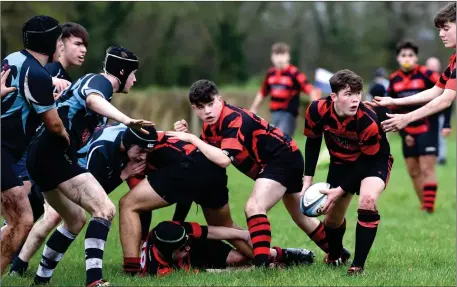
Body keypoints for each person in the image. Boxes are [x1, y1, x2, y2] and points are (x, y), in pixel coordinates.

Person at [171, 79, 336, 269]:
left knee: (254, 207)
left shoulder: (232, 118)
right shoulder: (210, 127)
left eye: (210, 104)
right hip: (281, 159)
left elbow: (224, 159)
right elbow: (207, 154)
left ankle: (263, 265)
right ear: (193, 108)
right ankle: (337, 253)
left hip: (281, 158)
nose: (207, 111)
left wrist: (191, 137)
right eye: (200, 107)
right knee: (301, 217)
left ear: (220, 100)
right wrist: (189, 136)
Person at [26, 45, 153, 287]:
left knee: (74, 220)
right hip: (51, 153)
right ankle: (94, 281)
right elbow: (92, 98)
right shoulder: (101, 82)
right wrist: (127, 120)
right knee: (104, 209)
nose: (135, 80)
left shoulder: (102, 95)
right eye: (133, 74)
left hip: (42, 156)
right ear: (123, 72)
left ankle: (40, 282)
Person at [120, 125, 315, 274]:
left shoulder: (146, 147)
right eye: (141, 152)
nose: (143, 156)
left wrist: (177, 222)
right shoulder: (155, 142)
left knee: (128, 204)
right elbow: (184, 191)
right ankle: (272, 257)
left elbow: (182, 184)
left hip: (194, 167)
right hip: (213, 171)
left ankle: (132, 270)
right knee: (227, 227)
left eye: (147, 151)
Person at [8, 123, 149, 276]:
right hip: (57, 168)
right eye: (141, 151)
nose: (143, 157)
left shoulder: (124, 133)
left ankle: (30, 271)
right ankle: (18, 266)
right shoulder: (100, 148)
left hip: (62, 169)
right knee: (52, 216)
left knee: (40, 213)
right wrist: (122, 175)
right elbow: (93, 195)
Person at [303, 69, 393, 275]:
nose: (355, 100)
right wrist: (307, 179)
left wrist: (341, 189)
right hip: (340, 162)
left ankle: (357, 266)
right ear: (333, 96)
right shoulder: (317, 110)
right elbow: (313, 141)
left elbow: (366, 161)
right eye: (348, 94)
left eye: (358, 93)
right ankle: (336, 255)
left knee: (368, 200)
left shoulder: (368, 120)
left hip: (373, 161)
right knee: (332, 219)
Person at [1, 15, 67, 275]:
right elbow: (53, 125)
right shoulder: (38, 74)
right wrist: (66, 137)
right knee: (22, 221)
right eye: (59, 40)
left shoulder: (12, 58)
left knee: (15, 221)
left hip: (6, 150)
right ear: (51, 43)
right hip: (3, 149)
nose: (61, 46)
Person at [369, 3, 456, 134]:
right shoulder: (454, 61)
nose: (441, 34)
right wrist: (394, 101)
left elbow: (445, 100)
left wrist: (406, 118)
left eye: (446, 28)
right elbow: (435, 92)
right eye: (439, 30)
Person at [139, 221, 314, 277]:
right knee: (239, 264)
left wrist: (243, 235)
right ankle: (271, 266)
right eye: (183, 248)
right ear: (168, 253)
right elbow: (208, 273)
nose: (188, 247)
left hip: (199, 251)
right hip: (194, 265)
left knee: (241, 255)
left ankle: (281, 253)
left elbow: (209, 232)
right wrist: (250, 270)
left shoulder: (172, 230)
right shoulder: (160, 270)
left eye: (188, 242)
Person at [385, 41, 441, 212]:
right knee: (413, 171)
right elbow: (391, 107)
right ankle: (424, 205)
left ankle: (428, 209)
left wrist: (445, 123)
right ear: (398, 58)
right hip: (406, 130)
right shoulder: (393, 79)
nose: (407, 59)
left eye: (410, 55)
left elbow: (446, 96)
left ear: (416, 58)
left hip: (427, 126)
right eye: (403, 55)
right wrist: (403, 132)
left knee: (426, 168)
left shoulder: (428, 74)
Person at [249, 42, 320, 137]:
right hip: (274, 113)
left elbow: (310, 90)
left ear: (288, 57)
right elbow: (263, 92)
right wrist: (254, 107)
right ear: (272, 57)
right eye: (277, 55)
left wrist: (314, 109)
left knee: (280, 140)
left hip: (288, 114)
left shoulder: (294, 73)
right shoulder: (271, 73)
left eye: (282, 55)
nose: (279, 58)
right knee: (274, 142)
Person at [425, 56, 453, 165]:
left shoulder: (446, 81)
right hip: (425, 114)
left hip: (439, 114)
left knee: (441, 137)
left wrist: (447, 122)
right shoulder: (422, 81)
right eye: (430, 66)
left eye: (434, 66)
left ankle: (441, 158)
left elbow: (449, 103)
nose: (432, 68)